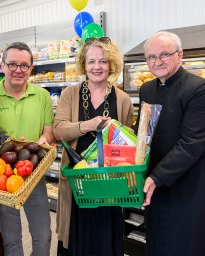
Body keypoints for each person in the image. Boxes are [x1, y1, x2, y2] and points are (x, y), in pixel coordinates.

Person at [137, 31, 205, 256]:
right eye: (151, 57)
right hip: (156, 180)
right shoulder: (146, 89)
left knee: (188, 243)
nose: (157, 62)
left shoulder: (199, 89)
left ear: (180, 55)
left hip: (190, 184)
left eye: (165, 54)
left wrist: (156, 177)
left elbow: (192, 142)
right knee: (159, 239)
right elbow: (144, 134)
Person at [54, 37, 134, 256]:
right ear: (83, 64)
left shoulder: (123, 99)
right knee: (76, 238)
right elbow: (58, 130)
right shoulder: (70, 94)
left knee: (105, 238)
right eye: (91, 62)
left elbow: (129, 142)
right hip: (77, 183)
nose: (97, 67)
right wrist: (86, 125)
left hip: (109, 184)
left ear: (111, 65)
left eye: (103, 61)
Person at [0, 41, 54, 256]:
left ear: (31, 68)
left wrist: (44, 139)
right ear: (2, 65)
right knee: (12, 238)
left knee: (43, 234)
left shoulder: (42, 95)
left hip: (33, 172)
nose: (18, 70)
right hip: (2, 177)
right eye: (13, 64)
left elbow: (49, 131)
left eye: (24, 65)